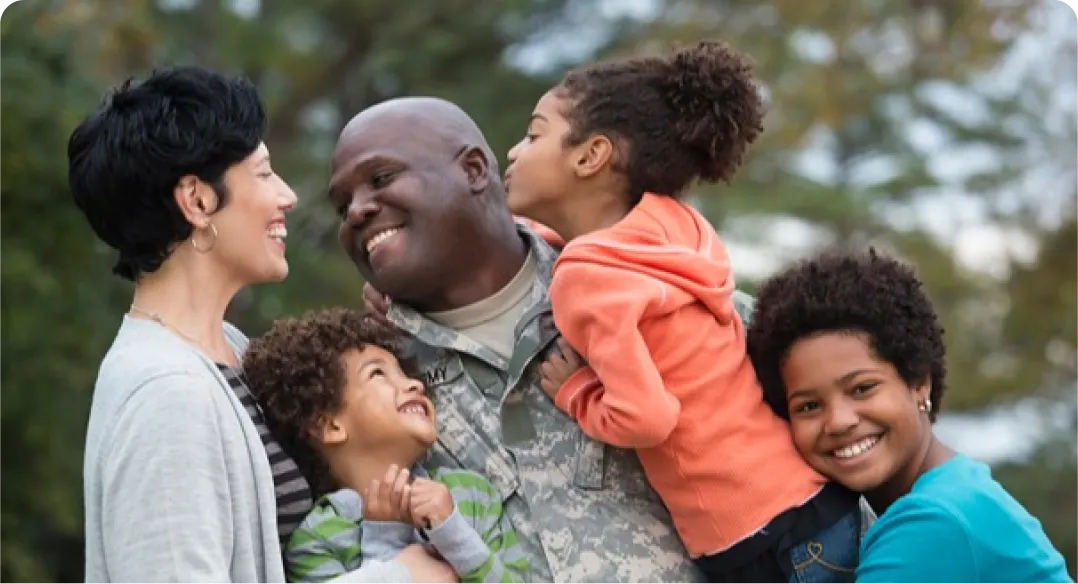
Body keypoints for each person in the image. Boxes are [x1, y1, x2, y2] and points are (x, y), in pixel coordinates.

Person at [502, 40, 863, 584]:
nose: (512, 152)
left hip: (754, 539)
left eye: (533, 134)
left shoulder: (586, 280)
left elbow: (648, 418)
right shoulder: (673, 228)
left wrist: (578, 394)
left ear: (590, 155)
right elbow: (605, 251)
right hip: (819, 506)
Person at [337, 94, 738, 582]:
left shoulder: (638, 291)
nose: (357, 211)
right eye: (342, 204)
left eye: (381, 179)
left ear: (473, 170)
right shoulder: (369, 376)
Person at [73, 66, 449, 583]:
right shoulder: (166, 392)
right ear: (198, 200)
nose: (287, 196)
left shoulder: (228, 351)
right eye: (265, 172)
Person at [745, 248, 1073, 583]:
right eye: (809, 406)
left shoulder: (933, 522)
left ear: (919, 383)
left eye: (862, 388)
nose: (839, 420)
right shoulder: (954, 488)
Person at [243, 307, 529, 583]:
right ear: (329, 426)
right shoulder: (317, 540)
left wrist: (454, 533)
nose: (414, 385)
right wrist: (384, 539)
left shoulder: (473, 493)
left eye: (405, 374)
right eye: (378, 374)